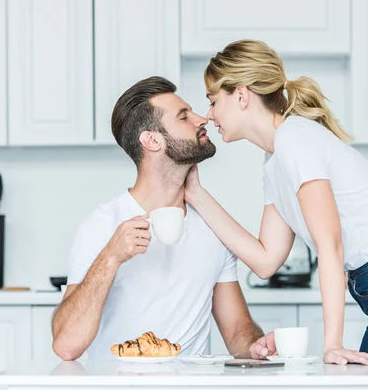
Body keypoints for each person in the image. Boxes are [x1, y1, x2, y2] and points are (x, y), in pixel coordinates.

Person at [184, 40, 368, 364]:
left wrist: (332, 345)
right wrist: (196, 195)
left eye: (213, 101)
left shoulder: (295, 140)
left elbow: (330, 244)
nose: (209, 114)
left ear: (242, 95)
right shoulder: (275, 157)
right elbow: (265, 261)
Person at [52, 76, 265, 361]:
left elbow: (237, 329)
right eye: (184, 116)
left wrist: (255, 346)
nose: (202, 118)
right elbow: (67, 346)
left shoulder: (213, 227)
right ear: (152, 140)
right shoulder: (103, 225)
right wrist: (111, 258)